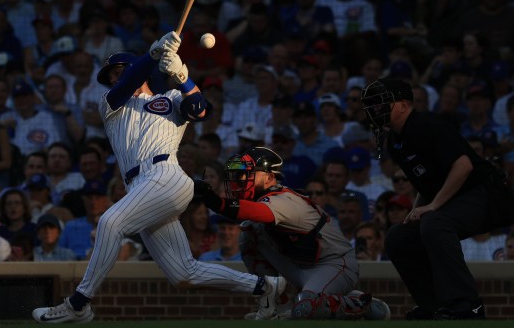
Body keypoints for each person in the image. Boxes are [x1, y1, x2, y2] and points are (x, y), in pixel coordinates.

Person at [33, 33, 286, 323]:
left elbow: (201, 109)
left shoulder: (170, 97)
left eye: (119, 71)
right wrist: (151, 56)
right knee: (183, 273)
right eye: (111, 75)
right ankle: (265, 286)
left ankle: (79, 303)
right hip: (139, 187)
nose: (115, 78)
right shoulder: (111, 104)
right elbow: (128, 84)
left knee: (110, 222)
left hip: (167, 175)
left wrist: (181, 76)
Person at [361, 77, 514, 320]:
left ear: (403, 104)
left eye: (382, 103)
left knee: (435, 222)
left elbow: (463, 166)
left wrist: (432, 207)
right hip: (457, 199)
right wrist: (416, 209)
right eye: (373, 106)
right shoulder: (395, 140)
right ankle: (434, 305)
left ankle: (467, 306)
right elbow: (427, 183)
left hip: (486, 194)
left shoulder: (426, 125)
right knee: (399, 237)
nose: (375, 110)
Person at [193, 146, 390, 320]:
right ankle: (274, 305)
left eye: (248, 173)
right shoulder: (263, 201)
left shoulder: (284, 199)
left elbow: (252, 211)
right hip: (300, 264)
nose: (240, 179)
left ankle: (359, 303)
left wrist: (215, 201)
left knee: (304, 309)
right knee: (249, 232)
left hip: (334, 264)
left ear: (270, 177)